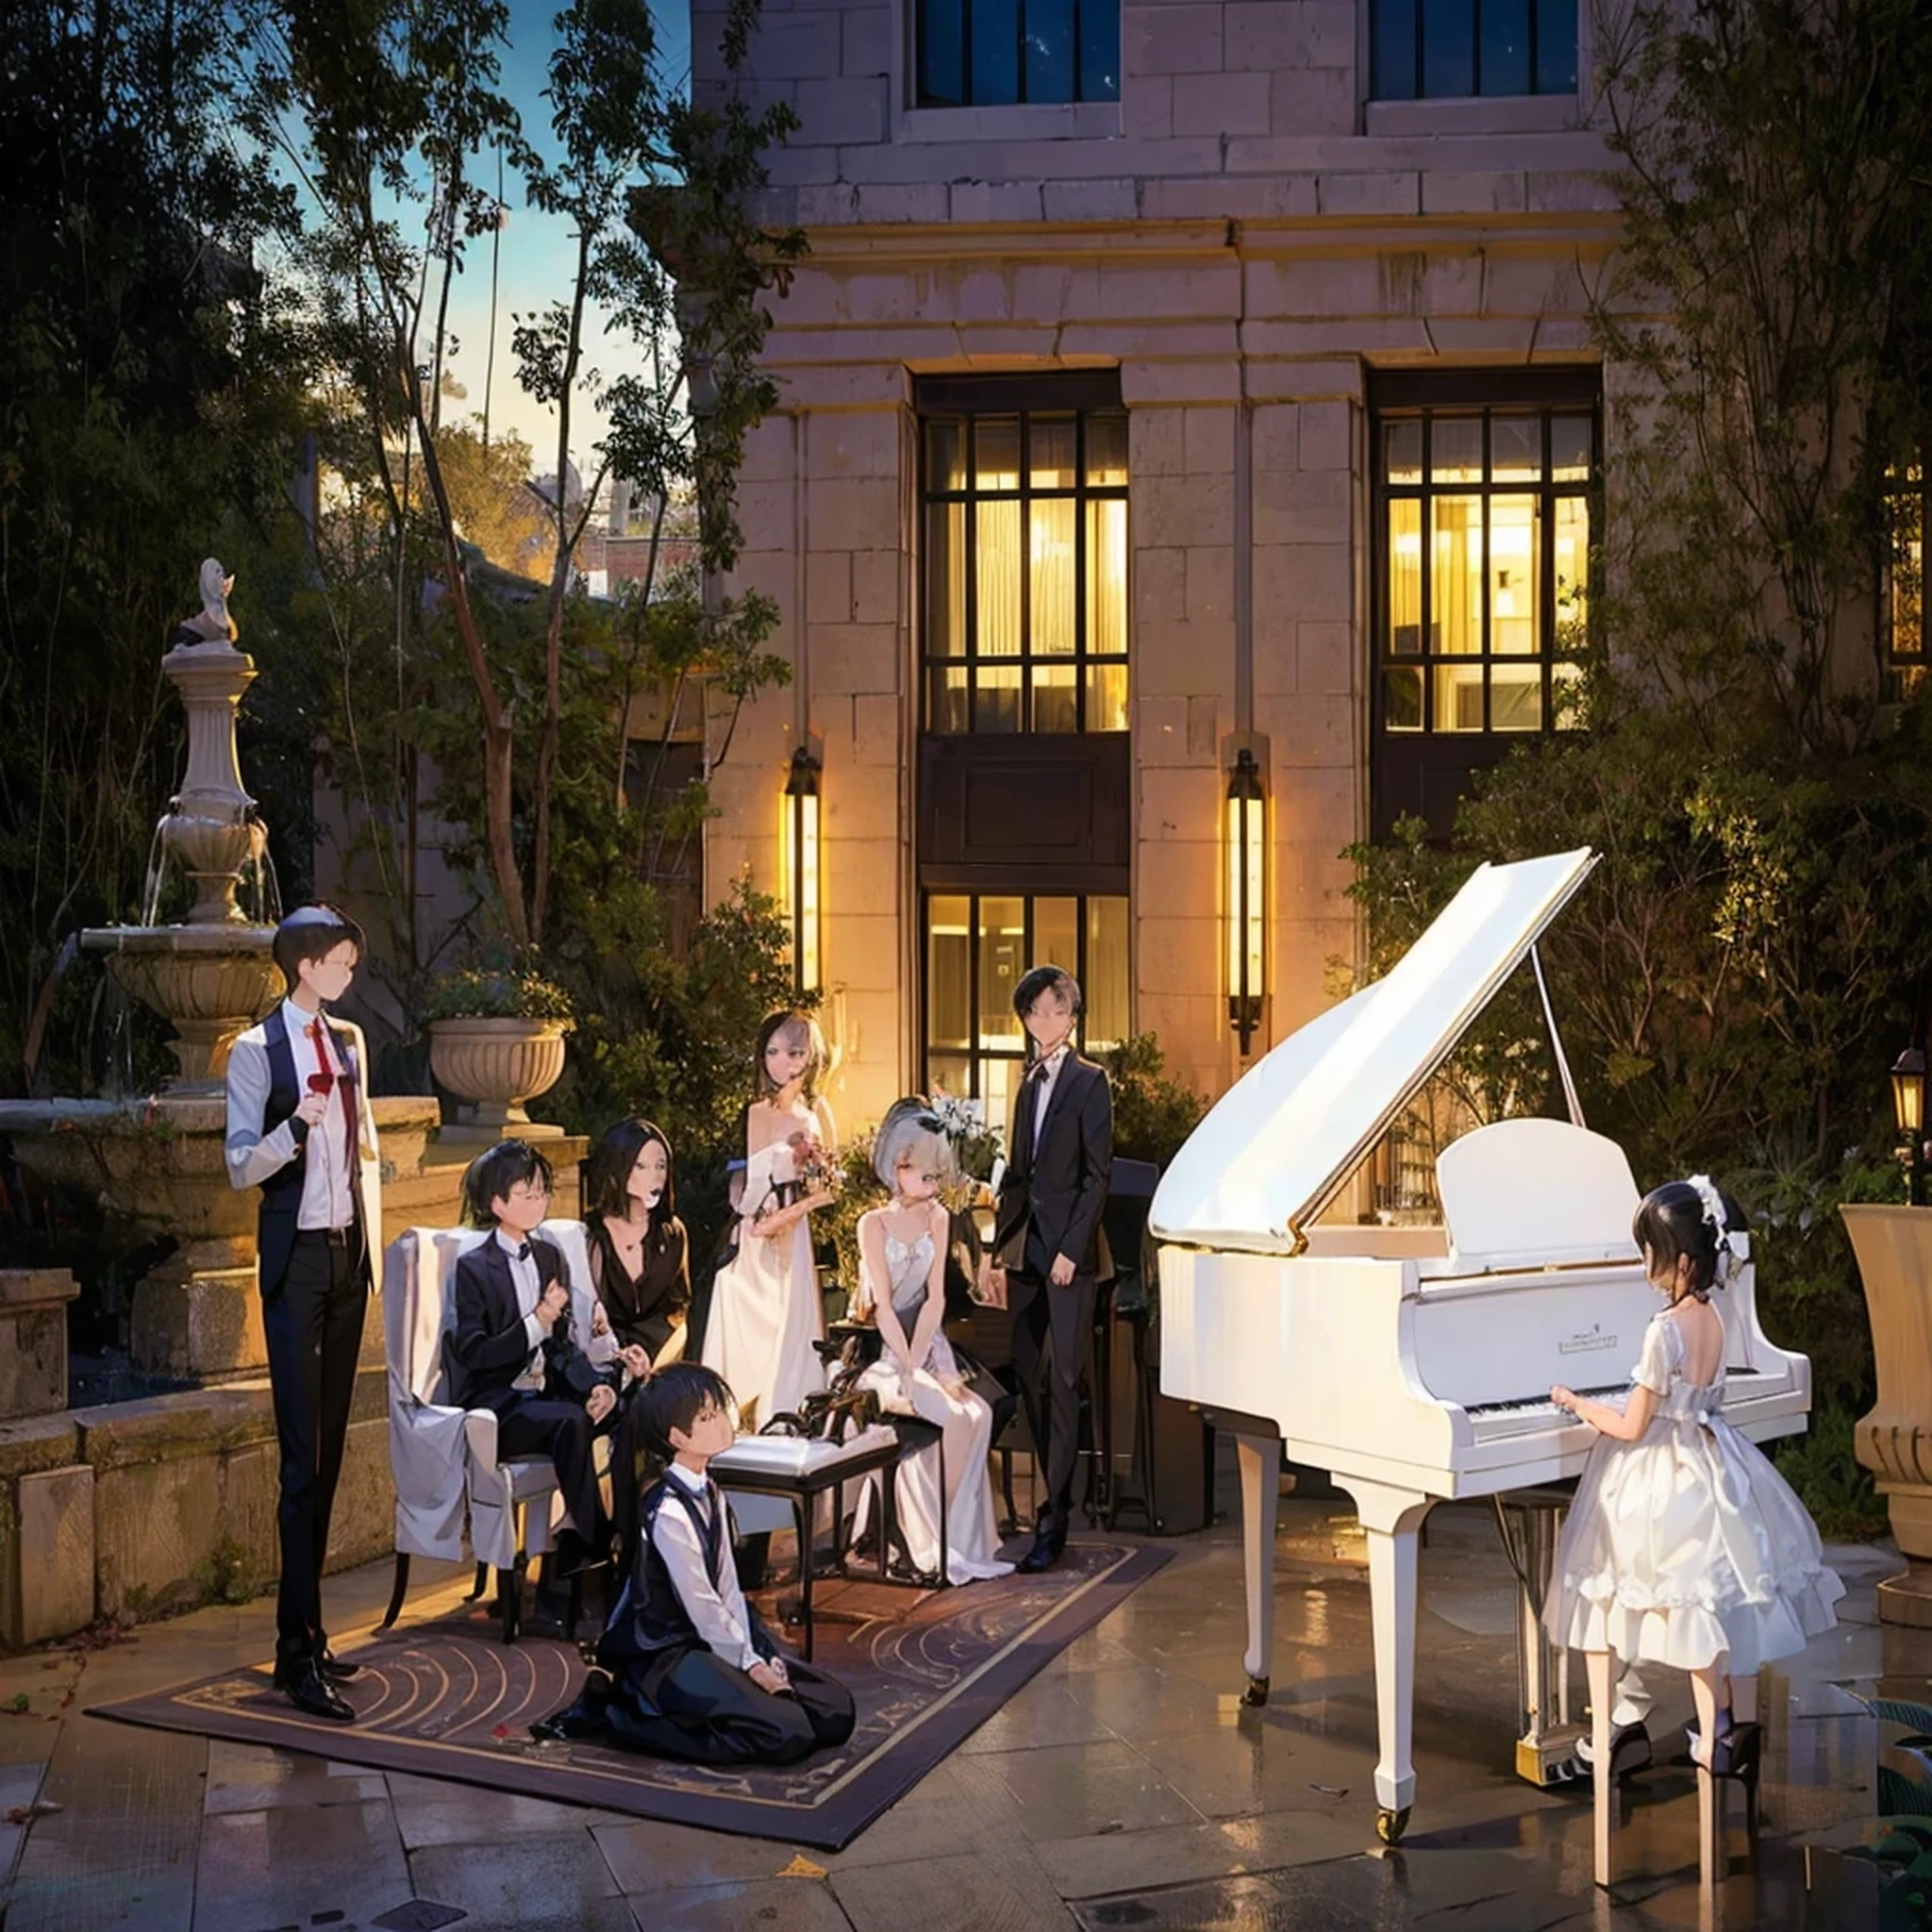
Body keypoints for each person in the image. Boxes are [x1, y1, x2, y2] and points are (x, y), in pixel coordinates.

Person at [1546, 1176, 1843, 1851]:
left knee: (1640, 1590)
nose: (1645, 1269)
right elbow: (1707, 1400)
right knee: (1720, 1592)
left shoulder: (1663, 1332)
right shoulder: (1715, 1316)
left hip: (1659, 1475)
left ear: (1680, 1262)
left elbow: (1629, 1427)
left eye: (1651, 1255)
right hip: (1714, 1462)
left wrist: (1574, 1402)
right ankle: (1722, 1725)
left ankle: (1653, 1729)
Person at [225, 904, 383, 1723]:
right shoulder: (256, 1051)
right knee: (298, 1461)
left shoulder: (350, 1044)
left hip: (347, 1257)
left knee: (328, 1456)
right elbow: (238, 1168)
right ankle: (293, 1656)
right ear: (305, 966)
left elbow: (367, 1157)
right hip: (295, 1267)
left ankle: (312, 1634)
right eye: (341, 964)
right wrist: (294, 1127)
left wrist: (374, 1253)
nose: (349, 976)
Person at [538, 1362, 857, 1766]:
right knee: (788, 1732)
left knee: (835, 1710)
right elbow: (702, 1605)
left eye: (719, 1410)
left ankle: (728, 1705)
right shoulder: (668, 1510)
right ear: (676, 1437)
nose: (723, 1423)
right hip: (667, 1653)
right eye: (706, 1417)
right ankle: (628, 1718)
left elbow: (728, 1589)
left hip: (712, 1642)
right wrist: (752, 1669)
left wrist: (757, 1651)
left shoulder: (712, 1493)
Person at [444, 1141, 634, 1580]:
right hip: (499, 1406)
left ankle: (624, 1534)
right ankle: (597, 1548)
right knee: (570, 1423)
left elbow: (563, 1345)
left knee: (627, 1411)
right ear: (496, 1201)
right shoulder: (475, 1268)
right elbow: (475, 1354)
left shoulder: (549, 1255)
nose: (539, 1202)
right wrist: (536, 1321)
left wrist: (596, 1387)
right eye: (527, 1194)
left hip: (548, 1394)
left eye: (542, 1193)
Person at [850, 1099, 1014, 1585]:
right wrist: (906, 1362)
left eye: (937, 1176)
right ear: (898, 1166)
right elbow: (882, 1305)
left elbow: (935, 1300)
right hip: (884, 1353)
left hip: (928, 1344)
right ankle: (922, 1539)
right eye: (925, 1175)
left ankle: (956, 1539)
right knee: (952, 1419)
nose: (933, 1186)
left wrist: (932, 1364)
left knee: (977, 1413)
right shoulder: (872, 1225)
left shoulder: (938, 1219)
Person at [988, 964, 1113, 1574]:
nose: (1043, 1021)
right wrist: (995, 1249)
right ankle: (1057, 1490)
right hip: (1028, 1254)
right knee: (1024, 1373)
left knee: (1064, 1382)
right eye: (1033, 1012)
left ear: (1072, 1016)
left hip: (1071, 1257)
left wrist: (1069, 1249)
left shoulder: (1092, 1083)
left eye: (1054, 1010)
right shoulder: (1025, 1084)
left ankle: (1054, 1520)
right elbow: (1018, 1177)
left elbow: (1097, 1177)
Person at [699, 1010, 837, 1430]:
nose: (782, 1062)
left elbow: (825, 1189)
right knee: (740, 1303)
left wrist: (807, 1193)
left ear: (808, 1058)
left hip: (793, 1235)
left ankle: (788, 1419)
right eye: (773, 1052)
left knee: (793, 1332)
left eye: (793, 1052)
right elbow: (752, 1190)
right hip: (758, 1235)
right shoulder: (758, 1113)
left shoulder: (815, 1117)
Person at [583, 1118, 691, 1557]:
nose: (654, 1177)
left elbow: (678, 1311)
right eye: (642, 1166)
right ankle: (614, 1547)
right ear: (618, 1170)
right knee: (618, 1418)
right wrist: (617, 1358)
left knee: (654, 1413)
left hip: (655, 1360)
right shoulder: (592, 1233)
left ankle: (653, 1549)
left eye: (660, 1166)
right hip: (605, 1360)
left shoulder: (672, 1233)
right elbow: (589, 1310)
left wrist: (650, 1361)